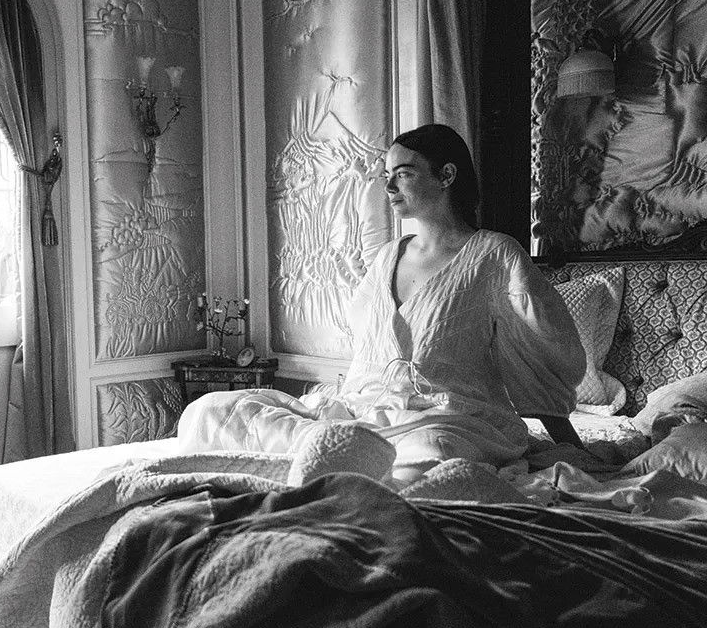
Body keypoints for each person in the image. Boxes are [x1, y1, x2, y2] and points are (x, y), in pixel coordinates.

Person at [179, 123, 587, 486]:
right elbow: (369, 349)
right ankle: (338, 449)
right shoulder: (388, 255)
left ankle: (332, 460)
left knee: (433, 455)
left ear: (446, 175)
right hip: (365, 411)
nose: (389, 187)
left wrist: (566, 439)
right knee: (208, 412)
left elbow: (538, 347)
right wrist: (342, 410)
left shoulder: (494, 254)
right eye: (386, 176)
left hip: (447, 417)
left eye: (403, 174)